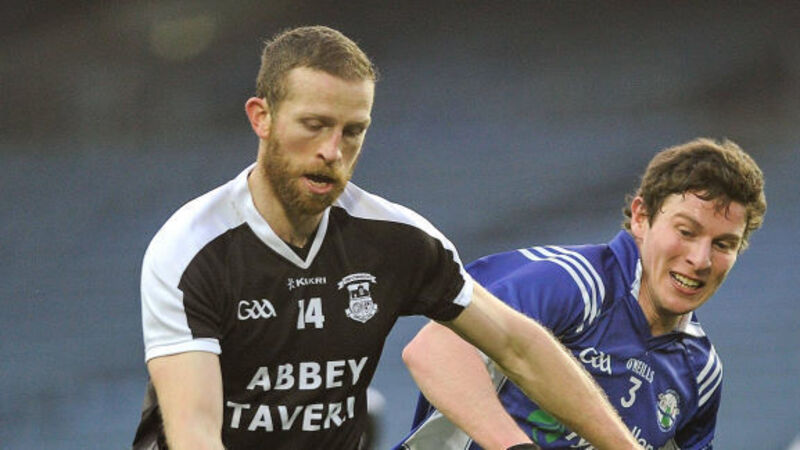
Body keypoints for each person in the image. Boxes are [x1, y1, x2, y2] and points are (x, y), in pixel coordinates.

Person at [131, 25, 642, 450]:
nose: (333, 150)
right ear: (260, 117)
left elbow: (518, 346)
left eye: (353, 131)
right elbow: (196, 433)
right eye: (314, 125)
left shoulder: (396, 240)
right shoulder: (191, 250)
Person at [397, 138, 766, 450]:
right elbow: (433, 350)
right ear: (641, 217)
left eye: (723, 244)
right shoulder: (571, 282)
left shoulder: (700, 372)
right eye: (686, 232)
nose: (700, 260)